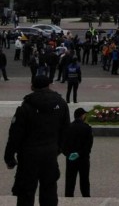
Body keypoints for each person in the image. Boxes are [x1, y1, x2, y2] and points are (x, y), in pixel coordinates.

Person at [4, 75, 70, 206]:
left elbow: (15, 135)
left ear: (32, 86)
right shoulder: (61, 103)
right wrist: (59, 149)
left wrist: (9, 158)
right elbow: (66, 130)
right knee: (49, 190)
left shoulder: (26, 106)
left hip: (28, 156)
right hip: (50, 154)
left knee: (26, 193)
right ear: (49, 85)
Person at [62, 108, 94, 198]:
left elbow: (63, 144)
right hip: (83, 159)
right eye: (85, 115)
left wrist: (68, 154)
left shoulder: (68, 127)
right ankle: (86, 198)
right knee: (84, 180)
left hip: (70, 159)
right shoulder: (87, 128)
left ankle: (68, 199)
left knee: (70, 181)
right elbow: (88, 145)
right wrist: (79, 153)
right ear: (82, 116)